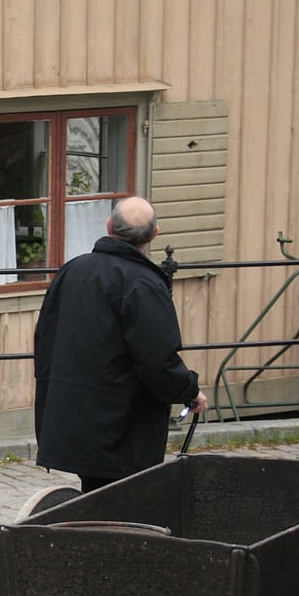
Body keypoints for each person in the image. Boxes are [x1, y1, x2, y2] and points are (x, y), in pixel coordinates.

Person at [33, 196, 207, 493]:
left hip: (75, 412)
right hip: (123, 425)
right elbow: (158, 360)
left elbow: (44, 340)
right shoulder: (144, 284)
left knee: (96, 494)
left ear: (109, 226)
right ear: (155, 234)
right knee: (120, 501)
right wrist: (189, 390)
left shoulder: (73, 271)